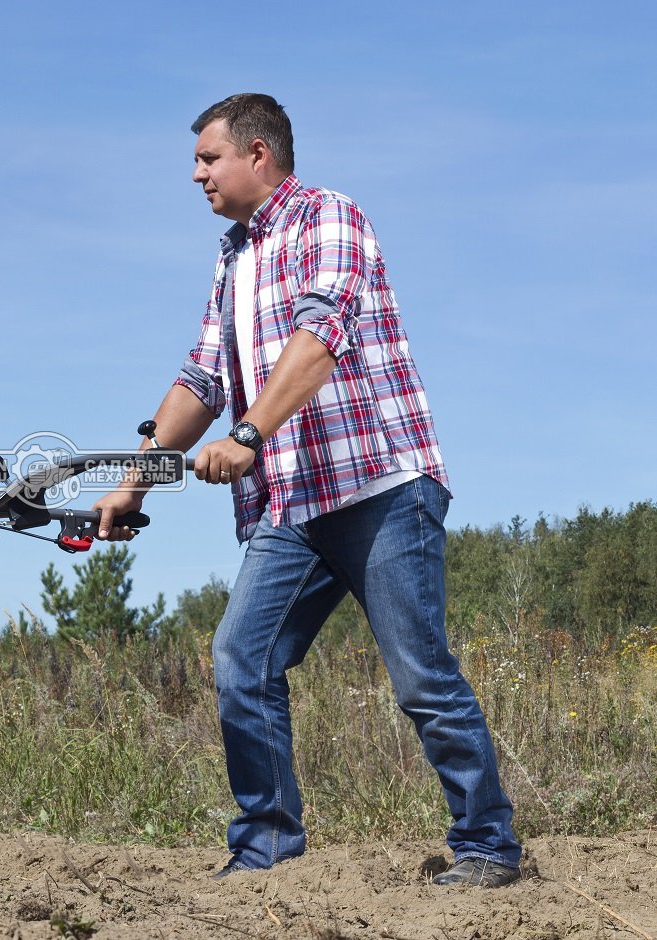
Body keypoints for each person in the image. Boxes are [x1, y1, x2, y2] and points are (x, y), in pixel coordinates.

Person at [93, 93, 522, 888]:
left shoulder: (328, 216)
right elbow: (200, 379)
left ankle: (489, 844)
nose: (196, 175)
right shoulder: (233, 256)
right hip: (292, 505)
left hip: (379, 488)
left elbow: (322, 335)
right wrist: (134, 484)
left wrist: (250, 436)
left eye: (207, 158)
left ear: (259, 154)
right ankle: (267, 850)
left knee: (421, 676)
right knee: (240, 658)